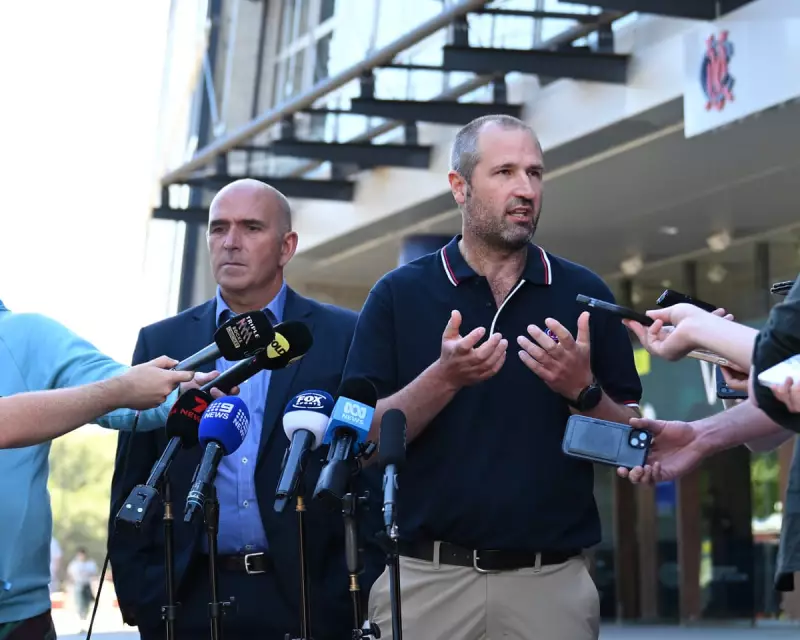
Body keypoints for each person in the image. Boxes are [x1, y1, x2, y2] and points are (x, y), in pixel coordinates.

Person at [344, 114, 643, 640]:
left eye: (535, 173)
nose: (525, 189)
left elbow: (633, 451)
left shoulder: (584, 295)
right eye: (504, 172)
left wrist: (583, 391)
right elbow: (358, 442)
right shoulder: (397, 295)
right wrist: (444, 377)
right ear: (459, 187)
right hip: (425, 580)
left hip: (550, 583)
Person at [108, 179, 384, 640]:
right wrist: (142, 594)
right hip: (187, 596)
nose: (230, 242)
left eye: (251, 228)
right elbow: (133, 474)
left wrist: (355, 591)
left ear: (286, 246)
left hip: (309, 597)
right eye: (219, 228)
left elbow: (366, 469)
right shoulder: (163, 341)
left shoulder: (341, 334)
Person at [0, 300, 220, 640]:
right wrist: (121, 390)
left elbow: (110, 384)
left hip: (18, 617)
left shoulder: (26, 333)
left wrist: (177, 394)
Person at [66, 548, 98, 632]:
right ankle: (81, 624)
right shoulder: (74, 565)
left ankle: (85, 622)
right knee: (80, 605)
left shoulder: (90, 564)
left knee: (87, 605)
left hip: (87, 585)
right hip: (78, 586)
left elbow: (94, 575)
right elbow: (70, 576)